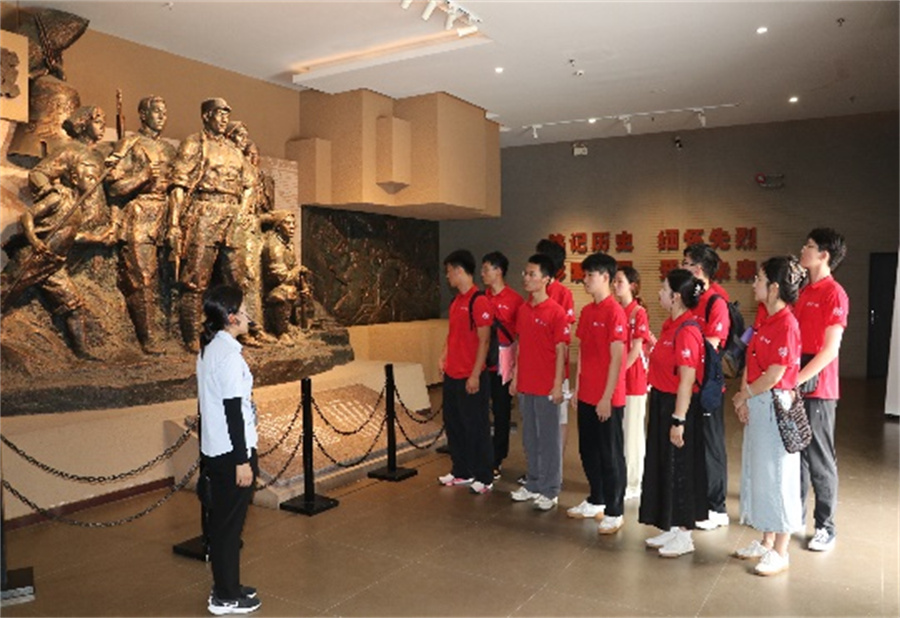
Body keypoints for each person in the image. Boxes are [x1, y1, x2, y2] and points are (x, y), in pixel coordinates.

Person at [1, 106, 116, 358]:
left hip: (58, 258)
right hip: (39, 254)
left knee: (73, 304)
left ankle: (81, 353)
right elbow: (39, 175)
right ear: (84, 123)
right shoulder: (67, 165)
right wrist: (49, 194)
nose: (102, 126)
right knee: (5, 291)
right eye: (98, 121)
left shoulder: (98, 157)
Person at [731, 256, 805, 576]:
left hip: (775, 404)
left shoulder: (787, 324)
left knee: (778, 475)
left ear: (774, 288)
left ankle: (781, 551)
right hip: (758, 400)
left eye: (759, 279)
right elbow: (751, 359)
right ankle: (766, 541)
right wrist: (744, 397)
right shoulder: (765, 316)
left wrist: (745, 394)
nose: (754, 284)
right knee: (760, 473)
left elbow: (775, 374)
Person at [168, 98, 255, 352]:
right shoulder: (194, 143)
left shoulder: (234, 150)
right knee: (195, 279)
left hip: (232, 215)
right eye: (219, 113)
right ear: (206, 116)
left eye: (227, 114)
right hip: (205, 212)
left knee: (236, 279)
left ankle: (237, 330)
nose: (224, 118)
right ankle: (192, 337)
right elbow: (179, 184)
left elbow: (249, 183)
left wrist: (243, 210)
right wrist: (174, 223)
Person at [197, 284, 261, 615]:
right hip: (232, 453)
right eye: (245, 310)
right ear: (232, 317)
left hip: (217, 451)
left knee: (223, 525)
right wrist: (242, 461)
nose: (250, 315)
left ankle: (228, 586)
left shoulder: (210, 349)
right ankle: (225, 597)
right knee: (228, 528)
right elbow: (233, 411)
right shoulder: (229, 357)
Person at [639, 268, 708, 558]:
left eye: (664, 288)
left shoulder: (687, 330)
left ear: (676, 296)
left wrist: (678, 420)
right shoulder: (671, 326)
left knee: (681, 467)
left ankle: (685, 534)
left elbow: (687, 380)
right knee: (664, 464)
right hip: (661, 401)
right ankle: (670, 525)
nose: (659, 293)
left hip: (679, 406)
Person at [106, 95, 177, 355]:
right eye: (156, 111)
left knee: (167, 281)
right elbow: (114, 189)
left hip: (168, 215)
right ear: (143, 115)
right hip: (140, 215)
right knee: (142, 278)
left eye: (164, 112)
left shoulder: (169, 150)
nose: (162, 117)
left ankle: (170, 333)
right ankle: (147, 338)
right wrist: (143, 176)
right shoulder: (130, 144)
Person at [795, 228, 849, 552]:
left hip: (819, 387)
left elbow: (830, 350)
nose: (803, 250)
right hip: (798, 382)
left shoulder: (834, 294)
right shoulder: (803, 291)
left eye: (810, 246)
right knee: (798, 455)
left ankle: (826, 527)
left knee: (819, 460)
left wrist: (798, 379)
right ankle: (795, 517)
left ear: (824, 255)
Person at [569, 252, 628, 534]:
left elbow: (617, 358)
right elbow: (582, 352)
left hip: (608, 397)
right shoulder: (587, 311)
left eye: (590, 275)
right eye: (585, 275)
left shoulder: (615, 312)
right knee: (588, 449)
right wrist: (578, 386)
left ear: (606, 277)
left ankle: (615, 510)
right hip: (587, 393)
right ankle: (597, 498)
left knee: (610, 454)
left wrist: (606, 397)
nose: (585, 280)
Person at [509, 254, 570, 511]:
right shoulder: (523, 310)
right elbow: (520, 345)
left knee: (548, 438)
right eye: (525, 273)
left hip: (547, 386)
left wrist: (557, 385)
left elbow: (561, 351)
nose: (526, 278)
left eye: (532, 274)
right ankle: (533, 482)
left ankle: (550, 488)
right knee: (530, 438)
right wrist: (515, 376)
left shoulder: (556, 312)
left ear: (546, 279)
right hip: (526, 384)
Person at [437, 249, 495, 494]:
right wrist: (443, 357)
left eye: (449, 271)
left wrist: (475, 374)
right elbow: (452, 334)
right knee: (454, 424)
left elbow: (484, 340)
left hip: (471, 375)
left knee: (476, 426)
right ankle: (461, 470)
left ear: (460, 270)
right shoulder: (456, 302)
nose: (447, 276)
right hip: (452, 374)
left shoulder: (478, 301)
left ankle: (484, 476)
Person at [681, 243, 730, 530]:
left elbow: (713, 344)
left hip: (708, 387)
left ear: (698, 269)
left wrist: (688, 350)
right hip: (690, 385)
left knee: (712, 446)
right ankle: (699, 501)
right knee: (695, 445)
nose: (682, 268)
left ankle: (717, 507)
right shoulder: (692, 299)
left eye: (685, 263)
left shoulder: (716, 301)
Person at [529, 238, 576, 486]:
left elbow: (564, 339)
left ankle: (553, 470)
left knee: (559, 419)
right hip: (534, 369)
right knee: (536, 422)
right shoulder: (532, 294)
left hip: (556, 369)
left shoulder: (563, 294)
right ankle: (538, 469)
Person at [480, 251, 524, 480]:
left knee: (501, 412)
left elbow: (520, 336)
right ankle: (481, 453)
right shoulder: (481, 298)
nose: (482, 274)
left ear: (499, 271)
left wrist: (516, 369)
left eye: (486, 269)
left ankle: (497, 458)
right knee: (479, 411)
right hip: (482, 363)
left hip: (504, 364)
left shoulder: (515, 300)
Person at [613, 265, 652, 501]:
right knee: (620, 432)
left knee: (633, 433)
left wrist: (618, 373)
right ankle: (621, 477)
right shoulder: (617, 310)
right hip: (619, 379)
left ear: (633, 286)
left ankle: (634, 482)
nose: (615, 285)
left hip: (633, 380)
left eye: (620, 281)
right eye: (615, 281)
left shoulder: (639, 312)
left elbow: (636, 348)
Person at [261, 210, 309, 340]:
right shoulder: (274, 247)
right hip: (270, 292)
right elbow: (281, 277)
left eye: (293, 223)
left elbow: (293, 268)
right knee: (287, 292)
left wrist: (303, 286)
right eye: (287, 223)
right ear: (278, 226)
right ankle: (281, 333)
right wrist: (298, 270)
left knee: (305, 290)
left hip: (285, 283)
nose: (292, 227)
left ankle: (295, 324)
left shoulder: (288, 244)